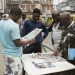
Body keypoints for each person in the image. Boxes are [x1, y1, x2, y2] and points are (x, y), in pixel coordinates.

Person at [0, 7, 35, 75]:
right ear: (16, 15)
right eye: (19, 17)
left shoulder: (1, 22)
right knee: (16, 72)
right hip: (14, 55)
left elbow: (9, 36)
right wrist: (30, 41)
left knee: (8, 72)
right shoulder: (14, 25)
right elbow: (18, 43)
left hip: (6, 53)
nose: (19, 19)